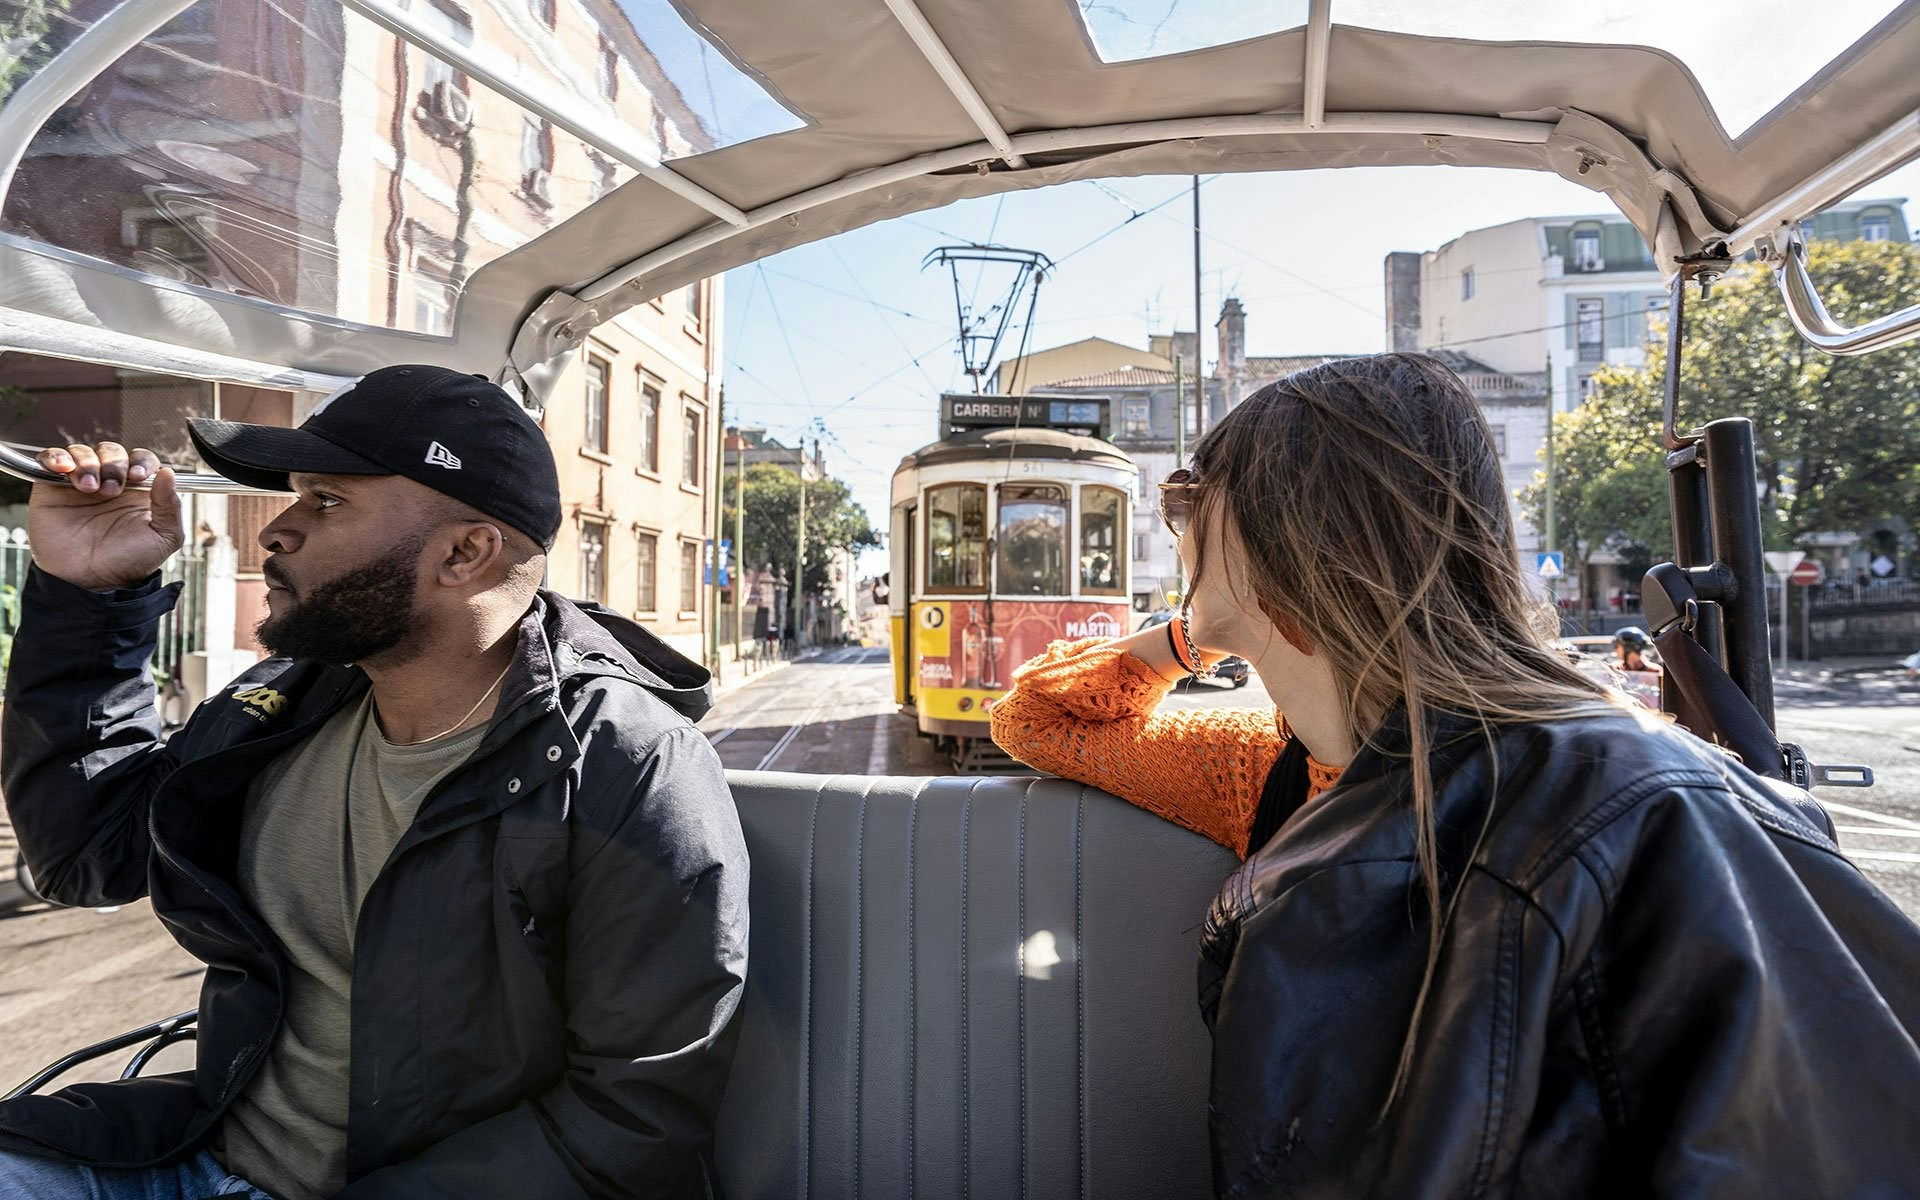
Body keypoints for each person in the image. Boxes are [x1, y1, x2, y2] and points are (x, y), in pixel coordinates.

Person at [991, 353, 1920, 1197]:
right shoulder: (1267, 759)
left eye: (1192, 504)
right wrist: (1205, 627)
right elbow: (1034, 716)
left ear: (1283, 542)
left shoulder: (1620, 799)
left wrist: (1234, 613)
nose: (1178, 526)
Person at [0, 366, 749, 1200]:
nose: (276, 531)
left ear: (464, 553)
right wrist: (92, 597)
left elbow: (630, 1121)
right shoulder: (284, 703)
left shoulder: (627, 765)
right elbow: (87, 853)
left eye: (326, 501)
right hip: (194, 1151)